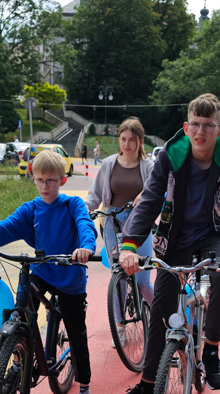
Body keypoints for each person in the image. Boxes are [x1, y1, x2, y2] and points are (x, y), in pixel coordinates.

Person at [106, 93, 220, 394]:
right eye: (195, 124)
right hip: (175, 239)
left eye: (208, 125)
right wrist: (130, 245)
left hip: (219, 233)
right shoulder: (170, 155)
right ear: (186, 126)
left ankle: (212, 350)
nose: (201, 132)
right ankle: (148, 387)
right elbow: (150, 199)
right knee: (161, 307)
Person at [0, 150, 97, 394]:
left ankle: (85, 392)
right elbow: (3, 229)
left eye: (52, 181)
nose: (45, 186)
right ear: (33, 179)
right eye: (40, 180)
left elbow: (85, 227)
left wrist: (86, 249)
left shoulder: (73, 205)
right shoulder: (31, 209)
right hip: (43, 271)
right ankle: (18, 358)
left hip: (70, 276)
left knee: (77, 332)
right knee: (21, 304)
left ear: (62, 181)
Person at [84, 117, 155, 347]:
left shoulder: (148, 166)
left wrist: (143, 196)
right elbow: (95, 196)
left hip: (140, 224)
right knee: (119, 278)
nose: (126, 144)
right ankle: (120, 326)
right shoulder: (109, 164)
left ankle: (162, 320)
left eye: (131, 140)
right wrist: (85, 209)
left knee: (143, 282)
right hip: (113, 222)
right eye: (123, 139)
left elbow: (157, 191)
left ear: (140, 142)